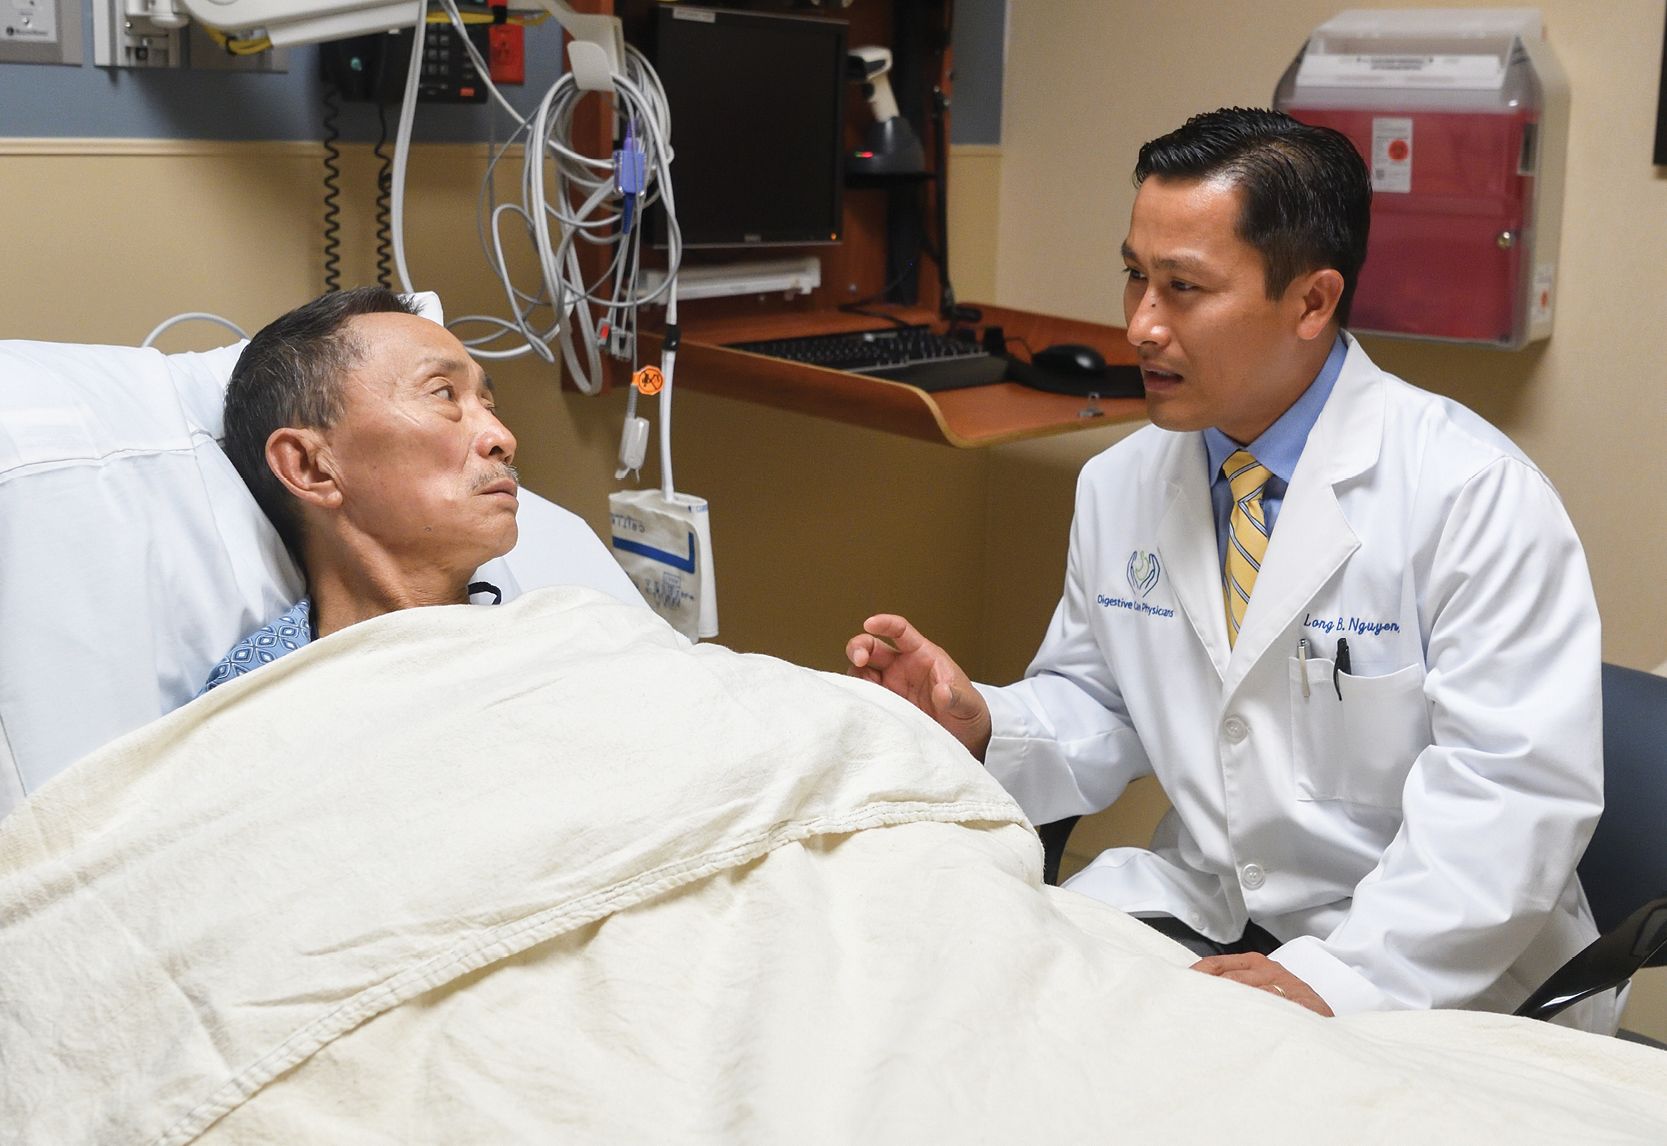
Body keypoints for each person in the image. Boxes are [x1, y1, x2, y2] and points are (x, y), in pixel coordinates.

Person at [845, 107, 1613, 1030]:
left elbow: (1512, 795)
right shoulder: (1121, 482)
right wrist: (984, 724)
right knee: (964, 1008)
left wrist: (1340, 980)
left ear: (1311, 302)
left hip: (1431, 961)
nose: (1139, 325)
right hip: (1204, 912)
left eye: (1183, 288)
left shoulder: (1472, 495)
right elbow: (1102, 702)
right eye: (1135, 276)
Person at [200, 286, 520, 693]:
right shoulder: (255, 710)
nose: (503, 438)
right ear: (310, 467)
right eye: (443, 393)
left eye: (488, 406)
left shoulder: (580, 629)